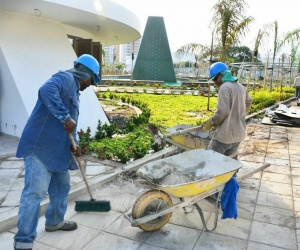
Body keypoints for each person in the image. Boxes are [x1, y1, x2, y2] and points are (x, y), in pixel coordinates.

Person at [13, 54, 100, 250]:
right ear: (85, 75)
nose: (89, 86)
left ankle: (54, 222)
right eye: (91, 81)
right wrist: (64, 116)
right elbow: (46, 90)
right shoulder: (66, 78)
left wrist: (74, 144)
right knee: (34, 194)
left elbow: (70, 126)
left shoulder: (75, 91)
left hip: (59, 149)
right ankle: (23, 241)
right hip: (40, 147)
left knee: (62, 187)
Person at [202, 62, 253, 160]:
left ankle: (212, 175)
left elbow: (223, 112)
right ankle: (232, 176)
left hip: (225, 135)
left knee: (210, 159)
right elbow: (249, 100)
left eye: (215, 79)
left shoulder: (224, 87)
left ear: (221, 75)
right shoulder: (240, 86)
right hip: (239, 134)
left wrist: (211, 122)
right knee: (230, 161)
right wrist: (241, 114)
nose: (215, 82)